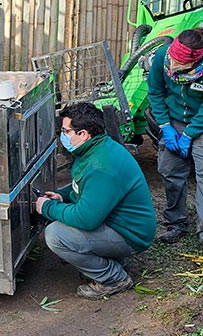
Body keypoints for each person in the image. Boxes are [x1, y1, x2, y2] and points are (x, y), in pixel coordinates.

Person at [35, 102, 156, 299]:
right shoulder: (96, 148)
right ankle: (112, 259)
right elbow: (86, 187)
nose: (63, 136)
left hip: (130, 235)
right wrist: (62, 196)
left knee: (55, 235)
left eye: (66, 131)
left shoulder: (102, 166)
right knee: (61, 221)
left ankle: (114, 278)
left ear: (83, 133)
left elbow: (86, 219)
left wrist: (48, 207)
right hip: (120, 223)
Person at [147, 28, 203, 255]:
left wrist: (189, 134)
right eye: (171, 59)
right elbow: (155, 91)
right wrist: (165, 126)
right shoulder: (163, 57)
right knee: (170, 171)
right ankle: (176, 222)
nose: (172, 66)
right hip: (173, 121)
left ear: (195, 61)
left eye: (178, 63)